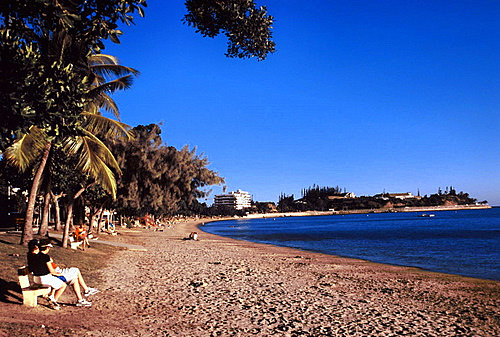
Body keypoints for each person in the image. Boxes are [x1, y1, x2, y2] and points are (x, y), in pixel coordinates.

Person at [27, 239, 66, 310]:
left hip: (36, 279)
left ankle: (51, 296)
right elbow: (52, 271)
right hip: (44, 279)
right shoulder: (45, 257)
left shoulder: (31, 256)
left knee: (54, 281)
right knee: (63, 285)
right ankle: (53, 302)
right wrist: (58, 274)